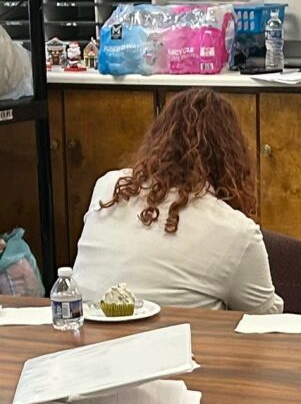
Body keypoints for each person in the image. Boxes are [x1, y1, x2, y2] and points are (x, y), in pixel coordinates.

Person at [72, 88, 280, 314]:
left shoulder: (108, 186)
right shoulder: (237, 231)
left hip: (82, 341)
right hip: (179, 346)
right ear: (232, 157)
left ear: (157, 139)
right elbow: (267, 321)